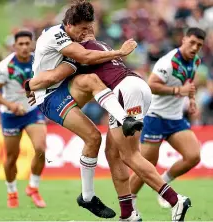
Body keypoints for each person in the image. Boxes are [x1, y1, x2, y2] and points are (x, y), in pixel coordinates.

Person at [26, 28, 192, 221]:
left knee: (130, 155)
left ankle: (175, 199)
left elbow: (58, 74)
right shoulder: (103, 47)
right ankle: (128, 212)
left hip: (124, 91)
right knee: (112, 153)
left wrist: (31, 85)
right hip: (140, 86)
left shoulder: (82, 50)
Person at [25, 0, 139, 219]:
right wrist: (119, 52)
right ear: (69, 24)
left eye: (90, 27)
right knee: (94, 137)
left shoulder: (79, 41)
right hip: (49, 96)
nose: (87, 32)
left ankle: (125, 118)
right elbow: (65, 69)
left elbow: (71, 67)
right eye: (82, 29)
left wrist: (92, 41)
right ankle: (87, 197)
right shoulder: (56, 36)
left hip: (63, 87)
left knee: (92, 80)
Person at [130, 27, 205, 210]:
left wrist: (192, 100)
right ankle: (128, 203)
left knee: (193, 156)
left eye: (199, 45)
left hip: (175, 118)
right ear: (184, 40)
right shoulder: (168, 62)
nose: (195, 47)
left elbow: (189, 82)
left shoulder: (195, 61)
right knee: (147, 165)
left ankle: (163, 182)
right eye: (192, 42)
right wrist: (179, 91)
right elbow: (151, 85)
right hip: (155, 116)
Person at [0, 31, 47, 209]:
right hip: (10, 114)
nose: (24, 47)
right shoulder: (6, 66)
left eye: (27, 43)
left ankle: (33, 188)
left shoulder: (39, 61)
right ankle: (12, 191)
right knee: (11, 158)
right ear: (14, 46)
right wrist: (10, 105)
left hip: (31, 110)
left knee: (41, 148)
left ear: (32, 44)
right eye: (20, 44)